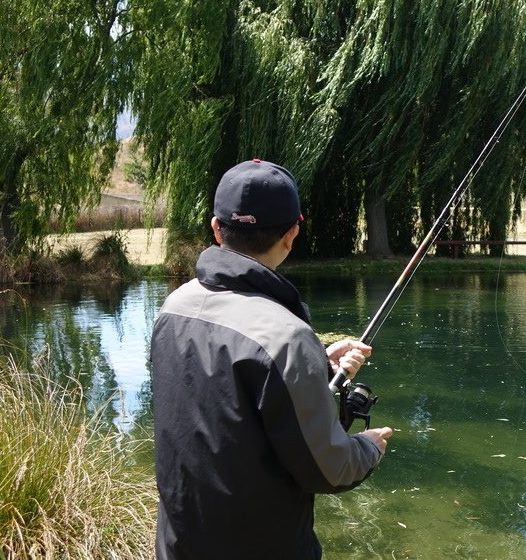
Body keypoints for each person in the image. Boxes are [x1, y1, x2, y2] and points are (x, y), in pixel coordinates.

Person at [150, 159, 393, 559]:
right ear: (292, 235)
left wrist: (317, 361)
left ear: (216, 228)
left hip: (178, 546)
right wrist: (368, 447)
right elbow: (327, 467)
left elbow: (220, 397)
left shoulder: (174, 307)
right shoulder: (286, 337)